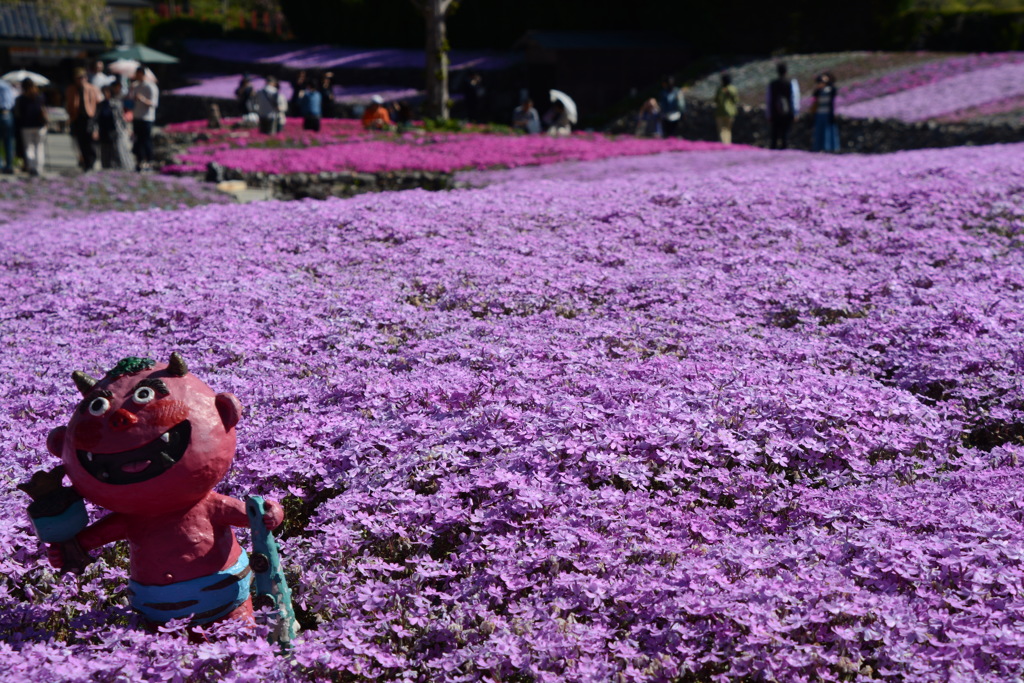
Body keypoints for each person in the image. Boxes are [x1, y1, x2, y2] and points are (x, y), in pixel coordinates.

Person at [65, 67, 100, 172]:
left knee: (90, 142)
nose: (81, 80)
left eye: (82, 77)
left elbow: (98, 104)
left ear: (86, 78)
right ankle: (85, 162)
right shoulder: (71, 89)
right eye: (78, 78)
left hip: (90, 117)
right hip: (77, 118)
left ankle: (91, 162)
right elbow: (69, 105)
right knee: (81, 142)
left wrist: (95, 121)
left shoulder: (92, 88)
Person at [14, 78, 47, 176]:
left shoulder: (20, 99)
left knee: (29, 147)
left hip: (26, 126)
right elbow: (44, 109)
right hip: (40, 126)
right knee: (39, 147)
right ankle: (39, 167)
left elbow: (18, 114)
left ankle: (32, 167)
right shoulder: (40, 97)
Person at [97, 81, 133, 170]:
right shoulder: (100, 105)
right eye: (103, 92)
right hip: (104, 131)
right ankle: (106, 169)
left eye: (107, 92)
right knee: (105, 152)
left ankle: (125, 169)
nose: (105, 94)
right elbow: (96, 118)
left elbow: (120, 118)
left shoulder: (116, 103)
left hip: (116, 131)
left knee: (119, 151)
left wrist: (126, 129)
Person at [130, 66, 159, 171]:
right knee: (137, 141)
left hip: (147, 118)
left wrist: (142, 99)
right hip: (137, 116)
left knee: (146, 140)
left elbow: (154, 103)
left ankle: (149, 161)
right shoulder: (136, 86)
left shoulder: (151, 87)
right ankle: (139, 161)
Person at [766, 62, 799, 150]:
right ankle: (784, 153)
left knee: (774, 135)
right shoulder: (791, 82)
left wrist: (769, 114)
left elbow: (768, 100)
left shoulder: (772, 84)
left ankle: (772, 155)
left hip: (775, 112)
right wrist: (795, 112)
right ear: (786, 71)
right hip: (787, 112)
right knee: (785, 135)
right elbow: (795, 98)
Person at [812, 72, 840, 153]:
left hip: (827, 114)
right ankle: (819, 147)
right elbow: (814, 96)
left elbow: (834, 91)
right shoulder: (819, 90)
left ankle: (829, 148)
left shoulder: (831, 89)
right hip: (819, 113)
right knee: (820, 132)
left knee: (828, 132)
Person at [713, 72, 739, 145]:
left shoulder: (720, 89)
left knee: (721, 130)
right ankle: (728, 144)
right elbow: (736, 100)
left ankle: (723, 144)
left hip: (720, 112)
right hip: (730, 112)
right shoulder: (733, 89)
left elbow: (715, 100)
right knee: (728, 130)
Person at [0, 77, 15, 174]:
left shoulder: (4, 85)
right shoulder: (6, 85)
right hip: (7, 113)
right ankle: (9, 165)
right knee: (8, 142)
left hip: (3, 112)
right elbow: (12, 102)